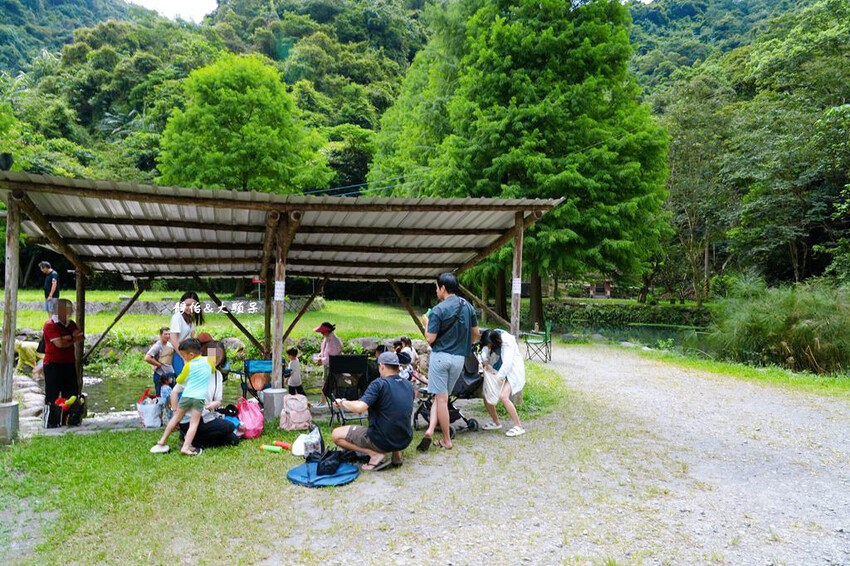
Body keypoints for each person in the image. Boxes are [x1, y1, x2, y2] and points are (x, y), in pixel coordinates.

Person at [418, 272, 478, 451]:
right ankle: (430, 429)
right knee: (440, 396)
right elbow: (475, 335)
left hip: (440, 358)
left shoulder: (438, 309)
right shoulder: (468, 307)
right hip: (459, 359)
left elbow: (430, 339)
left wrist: (426, 323)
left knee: (441, 398)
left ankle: (446, 439)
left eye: (436, 287)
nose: (436, 291)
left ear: (443, 288)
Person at [331, 351, 415, 471]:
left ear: (382, 366)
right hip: (404, 438)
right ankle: (396, 455)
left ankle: (374, 454)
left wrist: (342, 402)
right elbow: (399, 410)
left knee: (336, 435)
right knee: (393, 415)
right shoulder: (408, 385)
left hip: (381, 440)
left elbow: (360, 407)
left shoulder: (379, 384)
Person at [150, 338, 213, 456]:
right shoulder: (209, 361)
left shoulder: (189, 365)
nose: (183, 358)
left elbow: (179, 380)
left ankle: (162, 440)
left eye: (184, 356)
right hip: (199, 398)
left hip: (187, 396)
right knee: (193, 423)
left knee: (176, 418)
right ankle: (186, 447)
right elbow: (213, 369)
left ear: (191, 354)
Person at [479, 328, 526, 437]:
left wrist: (498, 377)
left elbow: (507, 364)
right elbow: (484, 351)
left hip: (512, 371)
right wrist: (484, 359)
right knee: (486, 395)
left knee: (504, 396)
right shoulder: (491, 336)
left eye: (490, 345)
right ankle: (496, 422)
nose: (489, 347)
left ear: (496, 342)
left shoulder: (507, 341)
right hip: (498, 369)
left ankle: (518, 426)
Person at [42, 298, 84, 404]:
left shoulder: (71, 324)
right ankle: (52, 419)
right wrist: (72, 338)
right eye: (69, 308)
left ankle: (70, 417)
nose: (72, 311)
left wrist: (66, 338)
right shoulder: (50, 325)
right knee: (52, 395)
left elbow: (81, 336)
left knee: (71, 395)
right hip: (53, 364)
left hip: (69, 363)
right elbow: (59, 344)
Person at [168, 291, 204, 377]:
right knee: (183, 381)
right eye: (187, 305)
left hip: (187, 353)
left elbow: (191, 338)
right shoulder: (177, 317)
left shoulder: (191, 320)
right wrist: (184, 357)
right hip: (176, 353)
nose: (190, 308)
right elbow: (174, 341)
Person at [313, 322, 342, 409]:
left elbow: (332, 357)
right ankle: (323, 401)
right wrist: (320, 356)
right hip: (327, 365)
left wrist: (321, 361)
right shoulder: (326, 338)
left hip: (332, 366)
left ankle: (326, 402)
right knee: (325, 383)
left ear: (327, 331)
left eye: (323, 332)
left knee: (327, 384)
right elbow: (324, 351)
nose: (321, 333)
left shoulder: (334, 341)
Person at [145, 327, 175, 395]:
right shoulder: (157, 346)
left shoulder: (170, 344)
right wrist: (158, 364)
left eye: (169, 334)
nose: (167, 336)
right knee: (160, 396)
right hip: (160, 375)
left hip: (170, 375)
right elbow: (147, 358)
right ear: (160, 335)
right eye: (165, 334)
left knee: (173, 395)